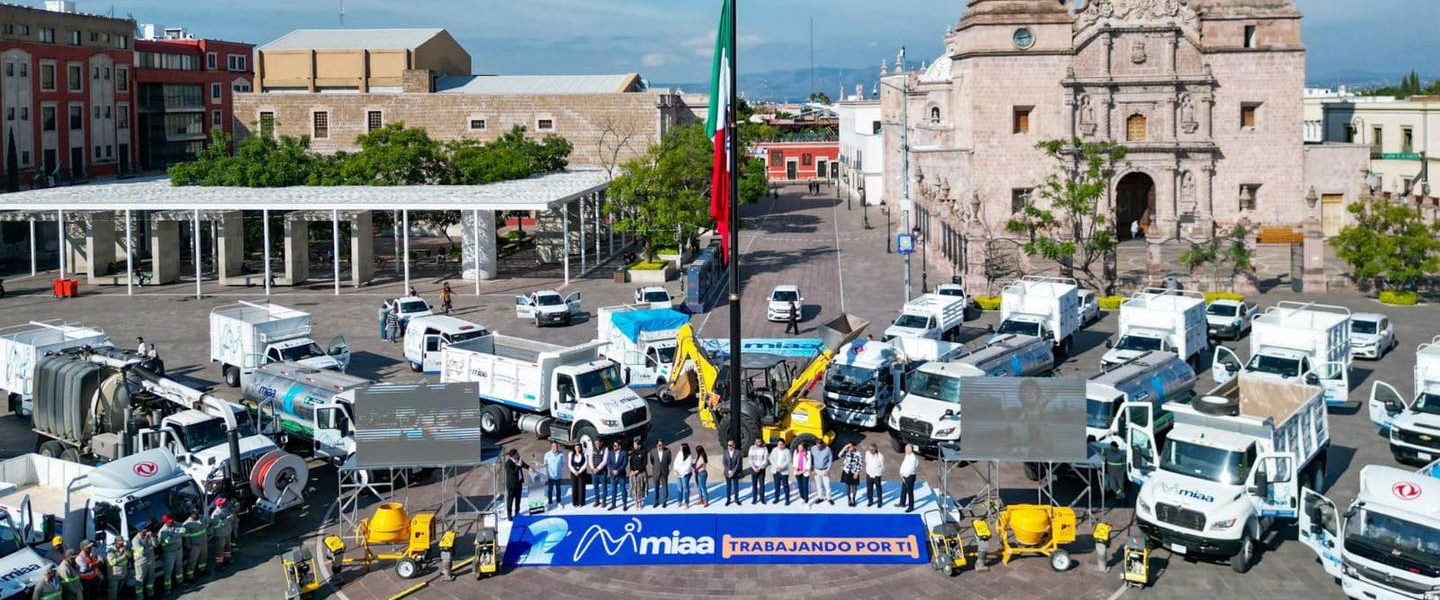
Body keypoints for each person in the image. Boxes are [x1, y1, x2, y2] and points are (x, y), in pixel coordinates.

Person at [157, 515, 183, 595]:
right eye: (170, 521)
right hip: (169, 553)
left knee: (179, 567)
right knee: (168, 571)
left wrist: (173, 536)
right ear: (166, 522)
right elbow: (166, 542)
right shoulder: (162, 531)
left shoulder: (175, 523)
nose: (172, 522)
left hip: (178, 549)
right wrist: (177, 535)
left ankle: (180, 583)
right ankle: (168, 588)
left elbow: (183, 529)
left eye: (172, 520)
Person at [130, 523, 156, 600]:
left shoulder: (149, 536)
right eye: (146, 528)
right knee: (140, 580)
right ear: (141, 530)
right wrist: (150, 548)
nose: (148, 529)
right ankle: (139, 597)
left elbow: (156, 545)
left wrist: (153, 537)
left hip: (150, 560)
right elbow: (141, 551)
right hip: (141, 562)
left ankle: (150, 594)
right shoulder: (135, 540)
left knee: (150, 578)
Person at [503, 450, 530, 519]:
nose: (518, 455)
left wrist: (530, 468)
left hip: (519, 483)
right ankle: (509, 514)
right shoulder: (508, 463)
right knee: (510, 500)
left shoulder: (518, 460)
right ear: (513, 455)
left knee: (518, 499)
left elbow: (524, 465)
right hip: (512, 485)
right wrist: (518, 466)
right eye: (517, 454)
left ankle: (517, 512)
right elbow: (513, 473)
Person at [209, 497, 234, 568]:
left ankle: (227, 559)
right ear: (220, 505)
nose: (226, 503)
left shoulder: (226, 509)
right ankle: (219, 563)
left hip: (227, 532)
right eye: (223, 503)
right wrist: (226, 520)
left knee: (228, 547)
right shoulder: (215, 514)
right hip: (220, 534)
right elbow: (215, 526)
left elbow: (230, 516)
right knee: (220, 549)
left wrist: (231, 518)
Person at [182, 511, 206, 582]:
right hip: (194, 545)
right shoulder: (186, 524)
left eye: (197, 514)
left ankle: (202, 570)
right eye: (195, 515)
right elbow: (186, 537)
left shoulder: (201, 518)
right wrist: (189, 546)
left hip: (203, 542)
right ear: (191, 515)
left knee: (203, 557)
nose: (197, 515)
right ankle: (190, 576)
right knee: (192, 561)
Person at [649, 440, 673, 508]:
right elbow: (652, 461)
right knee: (656, 487)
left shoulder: (667, 451)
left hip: (664, 471)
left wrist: (663, 467)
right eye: (659, 445)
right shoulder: (653, 451)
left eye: (662, 445)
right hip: (656, 472)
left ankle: (665, 501)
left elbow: (669, 461)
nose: (661, 446)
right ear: (656, 445)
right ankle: (656, 501)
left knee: (664, 487)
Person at [769, 439, 793, 505]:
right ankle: (777, 498)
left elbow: (788, 460)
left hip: (784, 471)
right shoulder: (774, 450)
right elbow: (771, 458)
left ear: (784, 444)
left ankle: (787, 499)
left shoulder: (787, 451)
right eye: (779, 444)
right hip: (776, 470)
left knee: (785, 485)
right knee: (777, 485)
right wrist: (776, 466)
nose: (780, 446)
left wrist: (781, 467)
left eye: (781, 444)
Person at [607, 440, 629, 510]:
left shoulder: (624, 453)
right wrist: (612, 470)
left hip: (621, 475)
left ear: (619, 446)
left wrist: (618, 471)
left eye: (615, 445)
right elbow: (609, 463)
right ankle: (613, 504)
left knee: (623, 490)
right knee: (613, 490)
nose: (614, 447)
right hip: (613, 475)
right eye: (613, 445)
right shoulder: (610, 453)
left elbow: (624, 464)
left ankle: (625, 504)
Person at [588, 439, 610, 508]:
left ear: (601, 443)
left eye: (598, 443)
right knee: (595, 487)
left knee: (604, 487)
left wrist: (598, 468)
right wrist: (592, 468)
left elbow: (605, 460)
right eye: (595, 443)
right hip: (594, 471)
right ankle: (597, 500)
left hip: (602, 471)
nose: (596, 444)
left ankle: (604, 501)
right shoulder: (592, 448)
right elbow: (590, 459)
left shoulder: (605, 449)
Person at [811, 441, 834, 505]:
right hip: (816, 470)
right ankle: (820, 498)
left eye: (820, 446)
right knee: (819, 485)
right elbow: (810, 459)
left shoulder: (827, 449)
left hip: (825, 470)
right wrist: (812, 469)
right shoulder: (813, 448)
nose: (819, 447)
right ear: (816, 444)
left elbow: (830, 459)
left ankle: (829, 498)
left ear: (822, 444)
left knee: (827, 485)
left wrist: (828, 470)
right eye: (817, 445)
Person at [543, 442, 566, 508]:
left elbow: (563, 464)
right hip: (550, 476)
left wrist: (559, 469)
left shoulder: (561, 454)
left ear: (557, 447)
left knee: (558, 489)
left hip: (558, 475)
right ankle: (550, 502)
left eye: (556, 446)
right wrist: (539, 465)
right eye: (553, 446)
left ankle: (558, 502)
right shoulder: (547, 454)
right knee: (550, 489)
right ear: (551, 447)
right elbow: (545, 464)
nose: (554, 448)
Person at [898, 444, 920, 512]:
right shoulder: (907, 455)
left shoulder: (913, 457)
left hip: (909, 476)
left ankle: (911, 507)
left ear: (911, 449)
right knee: (903, 490)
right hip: (905, 476)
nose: (906, 450)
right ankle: (902, 503)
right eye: (905, 448)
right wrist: (901, 473)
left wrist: (905, 475)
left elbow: (911, 468)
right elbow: (903, 464)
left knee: (910, 492)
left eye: (907, 449)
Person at [747, 438, 768, 505]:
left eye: (760, 441)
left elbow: (765, 459)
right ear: (755, 442)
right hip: (753, 469)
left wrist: (760, 467)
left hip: (761, 469)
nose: (759, 443)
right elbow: (750, 459)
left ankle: (762, 499)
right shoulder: (751, 448)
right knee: (754, 485)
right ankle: (754, 499)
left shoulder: (764, 448)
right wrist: (754, 467)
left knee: (761, 485)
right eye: (757, 441)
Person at [628, 440, 649, 509]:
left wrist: (638, 470)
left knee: (640, 488)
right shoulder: (633, 452)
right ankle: (636, 502)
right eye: (634, 445)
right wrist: (631, 470)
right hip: (633, 473)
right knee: (634, 488)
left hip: (641, 473)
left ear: (639, 445)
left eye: (635, 445)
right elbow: (630, 462)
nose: (634, 446)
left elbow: (644, 463)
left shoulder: (644, 451)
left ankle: (640, 501)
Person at [723, 439, 743, 506]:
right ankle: (728, 499)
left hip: (735, 473)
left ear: (734, 445)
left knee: (736, 486)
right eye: (728, 445)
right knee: (728, 487)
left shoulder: (738, 452)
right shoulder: (725, 452)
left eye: (731, 445)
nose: (729, 446)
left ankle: (736, 499)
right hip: (727, 473)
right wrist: (729, 471)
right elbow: (724, 463)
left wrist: (733, 472)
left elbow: (738, 463)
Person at [568, 443, 588, 508]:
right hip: (573, 472)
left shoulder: (584, 454)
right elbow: (569, 464)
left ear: (580, 448)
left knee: (581, 487)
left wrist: (579, 471)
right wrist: (574, 471)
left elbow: (585, 464)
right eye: (576, 447)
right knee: (574, 487)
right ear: (574, 448)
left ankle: (581, 502)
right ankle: (575, 502)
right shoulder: (571, 454)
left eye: (579, 447)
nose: (577, 448)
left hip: (581, 472)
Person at [674, 443, 694, 508]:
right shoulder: (679, 453)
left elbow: (688, 466)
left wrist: (681, 472)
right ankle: (679, 501)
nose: (680, 449)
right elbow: (675, 462)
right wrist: (676, 470)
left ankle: (686, 503)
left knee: (685, 488)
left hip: (685, 474)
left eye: (681, 448)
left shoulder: (689, 456)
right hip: (678, 474)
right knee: (679, 488)